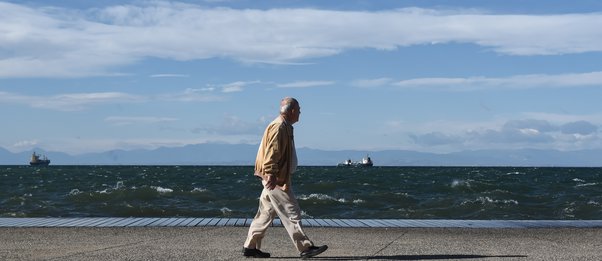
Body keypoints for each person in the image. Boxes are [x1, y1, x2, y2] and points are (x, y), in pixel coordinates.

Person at [243, 97, 328, 258]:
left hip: (276, 176)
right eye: (299, 109)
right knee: (292, 211)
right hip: (276, 178)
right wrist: (270, 174)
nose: (301, 112)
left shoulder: (284, 126)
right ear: (292, 111)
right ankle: (305, 248)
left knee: (265, 212)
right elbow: (271, 153)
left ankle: (250, 246)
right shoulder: (279, 126)